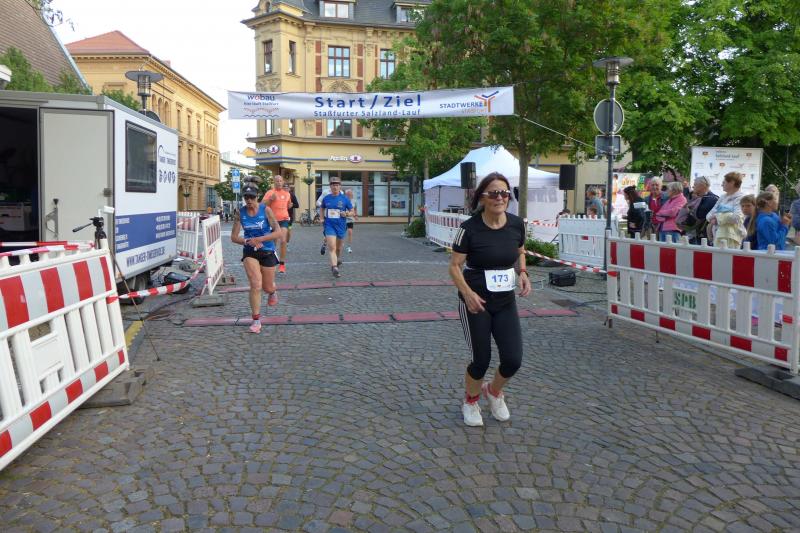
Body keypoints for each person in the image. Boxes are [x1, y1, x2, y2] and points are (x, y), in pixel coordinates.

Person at [449, 172, 532, 427]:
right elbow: (454, 266)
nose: (500, 198)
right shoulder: (469, 229)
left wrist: (523, 272)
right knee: (481, 360)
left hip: (505, 301)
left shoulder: (516, 224)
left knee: (513, 360)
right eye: (494, 193)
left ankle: (494, 391)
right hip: (476, 303)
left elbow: (520, 250)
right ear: (482, 198)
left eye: (504, 193)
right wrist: (467, 293)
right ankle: (471, 401)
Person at [231, 184, 282, 334]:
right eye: (246, 197)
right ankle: (256, 320)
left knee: (267, 287)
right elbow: (234, 237)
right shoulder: (240, 213)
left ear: (257, 197)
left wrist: (260, 239)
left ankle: (272, 292)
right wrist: (247, 241)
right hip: (250, 251)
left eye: (252, 197)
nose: (249, 200)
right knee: (255, 284)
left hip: (267, 251)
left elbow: (278, 233)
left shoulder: (266, 210)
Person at [319, 176, 354, 277]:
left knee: (338, 248)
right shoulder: (326, 198)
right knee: (332, 247)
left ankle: (336, 261)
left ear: (340, 186)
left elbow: (352, 211)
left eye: (337, 185)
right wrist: (322, 218)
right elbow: (321, 208)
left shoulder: (345, 199)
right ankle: (334, 267)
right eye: (333, 185)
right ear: (330, 186)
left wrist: (346, 214)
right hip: (329, 225)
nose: (335, 187)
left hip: (341, 226)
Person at [706, 172, 746, 248]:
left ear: (732, 183)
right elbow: (708, 216)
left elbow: (737, 217)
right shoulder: (722, 197)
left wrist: (717, 218)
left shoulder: (741, 198)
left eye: (724, 182)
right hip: (717, 236)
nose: (722, 185)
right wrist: (725, 215)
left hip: (732, 239)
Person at [263, 174, 291, 274]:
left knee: (283, 240)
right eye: (277, 181)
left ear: (283, 182)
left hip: (284, 220)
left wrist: (289, 207)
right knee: (273, 244)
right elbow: (262, 205)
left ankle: (282, 264)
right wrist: (270, 199)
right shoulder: (270, 192)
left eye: (280, 181)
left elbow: (288, 205)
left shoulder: (287, 194)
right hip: (273, 221)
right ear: (274, 182)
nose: (279, 183)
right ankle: (272, 263)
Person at [684, 176, 719, 244]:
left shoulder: (712, 199)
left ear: (702, 186)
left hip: (707, 236)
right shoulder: (703, 198)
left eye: (695, 185)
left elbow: (699, 216)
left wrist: (689, 210)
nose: (693, 187)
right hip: (700, 234)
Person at [284, 184, 300, 249]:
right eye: (284, 187)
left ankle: (287, 243)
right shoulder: (280, 195)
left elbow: (297, 205)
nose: (285, 189)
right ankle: (283, 243)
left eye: (287, 187)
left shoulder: (292, 195)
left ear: (289, 189)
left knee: (288, 231)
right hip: (281, 216)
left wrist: (292, 205)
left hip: (289, 216)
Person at [344, 188, 358, 253]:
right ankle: (340, 242)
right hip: (343, 219)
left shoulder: (354, 201)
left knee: (350, 232)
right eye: (348, 194)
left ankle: (349, 247)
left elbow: (355, 209)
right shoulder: (343, 201)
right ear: (346, 195)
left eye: (350, 194)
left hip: (350, 219)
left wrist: (356, 215)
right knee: (342, 233)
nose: (349, 195)